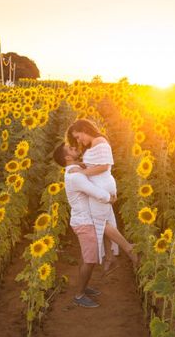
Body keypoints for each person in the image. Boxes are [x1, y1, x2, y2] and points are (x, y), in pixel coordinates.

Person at [66, 119, 138, 273]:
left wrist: (82, 172)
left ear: (85, 129)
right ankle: (110, 258)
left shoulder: (100, 140)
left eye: (79, 136)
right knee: (103, 222)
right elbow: (94, 164)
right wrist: (80, 166)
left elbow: (104, 166)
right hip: (99, 185)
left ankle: (128, 249)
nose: (79, 140)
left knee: (101, 223)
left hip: (102, 185)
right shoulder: (93, 144)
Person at [53, 141, 116, 308]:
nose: (76, 148)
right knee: (90, 260)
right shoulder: (74, 176)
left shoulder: (76, 170)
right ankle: (79, 295)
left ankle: (85, 287)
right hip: (85, 222)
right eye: (72, 148)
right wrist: (110, 198)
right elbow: (94, 191)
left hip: (85, 219)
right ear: (67, 157)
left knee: (86, 257)